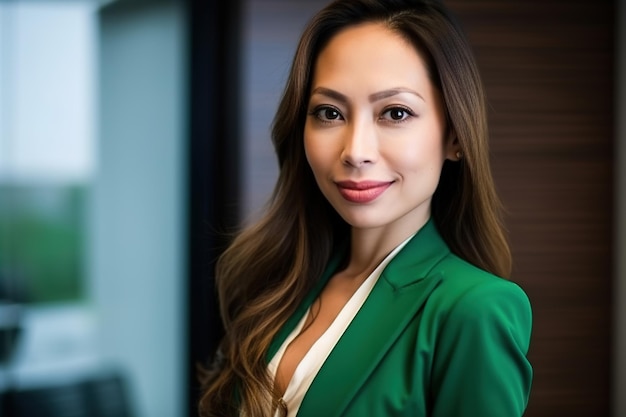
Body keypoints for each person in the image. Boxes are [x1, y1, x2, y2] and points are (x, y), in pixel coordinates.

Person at [198, 0, 533, 416]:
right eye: (330, 112)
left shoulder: (473, 310)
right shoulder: (276, 280)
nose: (356, 152)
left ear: (455, 137)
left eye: (395, 112)